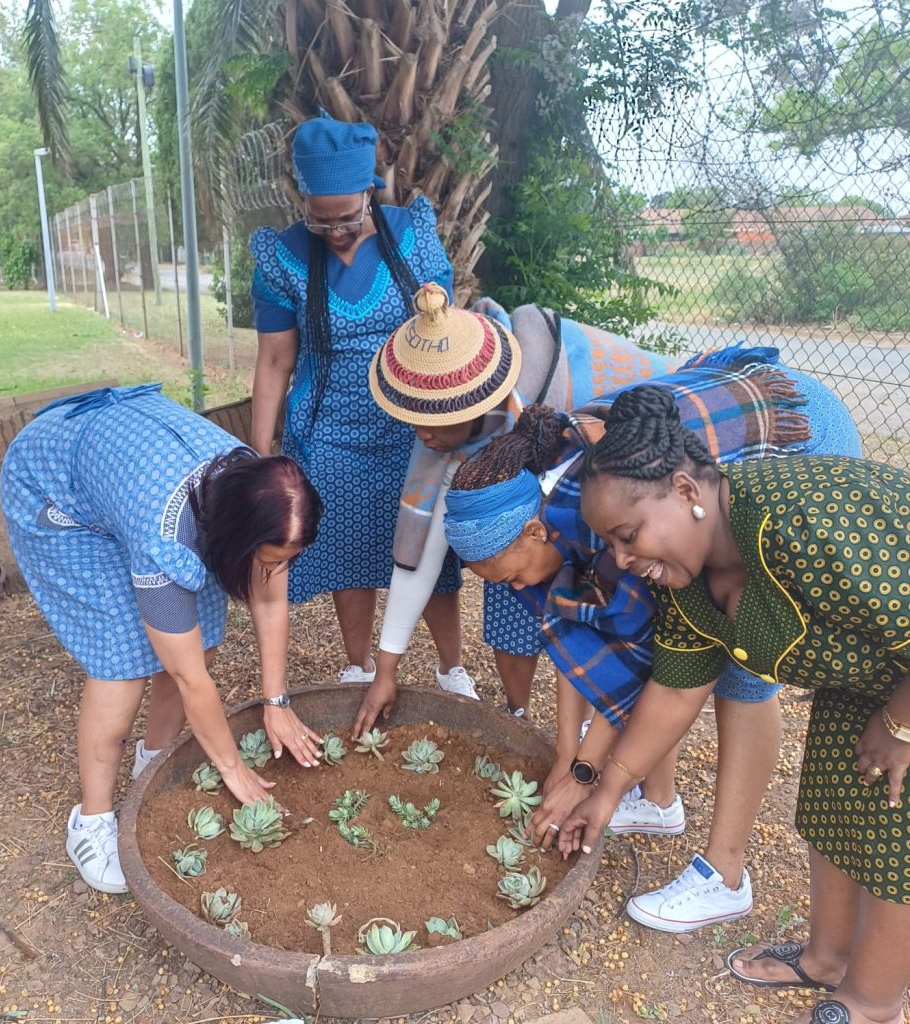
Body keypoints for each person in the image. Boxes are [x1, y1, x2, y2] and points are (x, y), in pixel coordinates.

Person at [439, 358, 862, 933]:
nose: (516, 589)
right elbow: (584, 644)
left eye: (512, 576)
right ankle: (659, 802)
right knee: (682, 637)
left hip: (794, 433)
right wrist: (568, 757)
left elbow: (648, 660)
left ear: (536, 531)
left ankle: (725, 874)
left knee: (737, 663)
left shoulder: (619, 523)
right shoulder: (559, 507)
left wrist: (587, 773)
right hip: (683, 483)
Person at [559, 384, 910, 1024]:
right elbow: (675, 689)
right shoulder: (689, 582)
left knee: (896, 834)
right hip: (866, 680)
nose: (622, 560)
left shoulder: (799, 520)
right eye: (611, 545)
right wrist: (606, 794)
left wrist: (899, 724)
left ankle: (873, 1002)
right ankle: (827, 959)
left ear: (685, 491)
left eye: (628, 536)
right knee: (834, 806)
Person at [0, 383, 324, 894]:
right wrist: (233, 768)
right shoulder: (164, 537)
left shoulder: (261, 493)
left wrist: (276, 701)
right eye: (272, 559)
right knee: (124, 661)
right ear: (235, 538)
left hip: (125, 475)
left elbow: (268, 601)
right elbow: (188, 676)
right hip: (55, 490)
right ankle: (91, 821)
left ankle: (153, 760)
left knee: (201, 636)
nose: (277, 570)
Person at [354, 283, 675, 732]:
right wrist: (385, 671)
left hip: (630, 490)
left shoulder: (550, 420)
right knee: (509, 580)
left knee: (590, 596)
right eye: (415, 421)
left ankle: (597, 722)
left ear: (474, 407)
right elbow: (421, 553)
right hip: (530, 534)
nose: (422, 435)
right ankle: (519, 714)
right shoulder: (444, 442)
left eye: (435, 423)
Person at [249, 112, 469, 695]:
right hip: (329, 433)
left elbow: (448, 330)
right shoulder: (283, 258)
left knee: (428, 549)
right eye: (319, 219)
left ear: (370, 192)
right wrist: (260, 453)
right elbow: (274, 361)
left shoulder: (412, 236)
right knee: (348, 548)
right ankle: (358, 666)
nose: (334, 231)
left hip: (415, 430)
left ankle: (452, 669)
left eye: (346, 217)